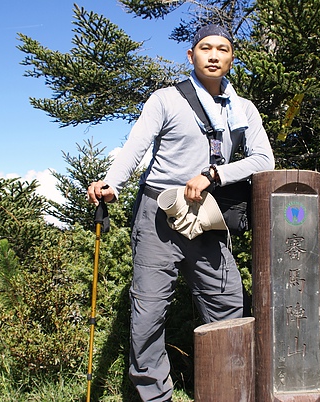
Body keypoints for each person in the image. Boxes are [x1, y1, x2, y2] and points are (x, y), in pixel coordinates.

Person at [87, 24, 274, 402]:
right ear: (191, 56)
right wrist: (112, 184)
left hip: (206, 215)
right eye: (206, 48)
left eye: (223, 49)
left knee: (226, 302)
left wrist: (215, 174)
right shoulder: (165, 99)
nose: (214, 55)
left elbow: (263, 159)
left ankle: (226, 390)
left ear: (231, 58)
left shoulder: (243, 111)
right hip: (158, 213)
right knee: (148, 313)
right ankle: (155, 396)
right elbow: (135, 146)